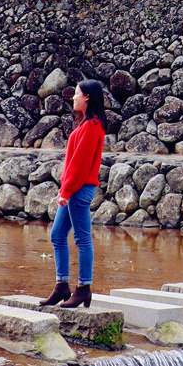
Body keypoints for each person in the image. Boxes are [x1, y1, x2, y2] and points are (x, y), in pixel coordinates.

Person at [40, 79, 107, 309]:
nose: (73, 97)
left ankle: (84, 288)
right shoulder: (85, 124)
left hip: (79, 189)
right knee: (58, 235)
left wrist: (66, 191)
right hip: (73, 188)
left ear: (87, 97)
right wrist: (64, 188)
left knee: (82, 238)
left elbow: (80, 164)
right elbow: (73, 163)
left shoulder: (92, 126)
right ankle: (62, 286)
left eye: (76, 94)